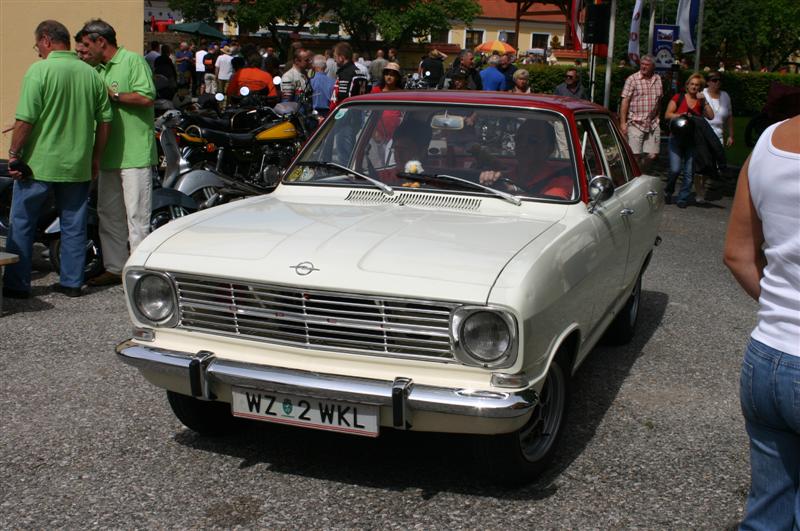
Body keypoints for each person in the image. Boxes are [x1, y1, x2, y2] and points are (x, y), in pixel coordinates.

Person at [723, 114, 800, 531]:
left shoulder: (769, 141)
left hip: (766, 357)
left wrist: (778, 305)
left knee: (766, 514)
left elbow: (737, 253)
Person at [3, 20, 112, 299]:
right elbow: (104, 123)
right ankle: (72, 282)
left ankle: (17, 284)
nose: (37, 50)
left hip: (39, 163)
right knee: (73, 224)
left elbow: (25, 119)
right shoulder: (91, 75)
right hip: (77, 162)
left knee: (23, 222)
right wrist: (95, 158)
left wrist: (14, 154)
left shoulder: (39, 71)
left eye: (38, 44)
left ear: (47, 40)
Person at [79, 19, 157, 287]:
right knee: (108, 214)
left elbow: (146, 97)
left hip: (134, 154)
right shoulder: (95, 70)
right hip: (108, 154)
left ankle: (138, 274)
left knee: (137, 216)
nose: (84, 52)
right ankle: (115, 267)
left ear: (102, 41)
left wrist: (112, 96)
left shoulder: (132, 61)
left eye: (87, 46)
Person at [478, 119, 574, 199]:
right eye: (519, 139)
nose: (523, 145)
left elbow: (549, 210)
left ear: (549, 148)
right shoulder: (506, 177)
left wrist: (513, 190)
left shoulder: (560, 182)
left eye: (532, 141)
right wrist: (488, 181)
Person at [663, 73, 714, 208]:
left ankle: (683, 198)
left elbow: (711, 116)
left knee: (689, 174)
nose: (694, 87)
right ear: (687, 85)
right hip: (676, 138)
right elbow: (667, 115)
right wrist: (680, 115)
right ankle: (668, 191)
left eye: (697, 85)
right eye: (692, 84)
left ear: (700, 88)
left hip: (692, 141)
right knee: (675, 169)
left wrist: (705, 102)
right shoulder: (678, 97)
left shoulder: (700, 101)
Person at [620, 54, 663, 172]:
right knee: (635, 155)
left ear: (653, 66)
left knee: (653, 154)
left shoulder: (658, 79)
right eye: (642, 64)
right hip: (635, 122)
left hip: (653, 123)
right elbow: (625, 101)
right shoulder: (632, 79)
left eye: (647, 65)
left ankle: (640, 172)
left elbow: (659, 100)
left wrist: (658, 116)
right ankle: (637, 176)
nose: (644, 67)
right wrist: (623, 123)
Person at [330, 42, 368, 110]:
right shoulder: (359, 72)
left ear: (341, 57)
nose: (335, 60)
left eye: (335, 57)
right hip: (359, 111)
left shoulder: (345, 73)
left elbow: (343, 98)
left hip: (348, 114)